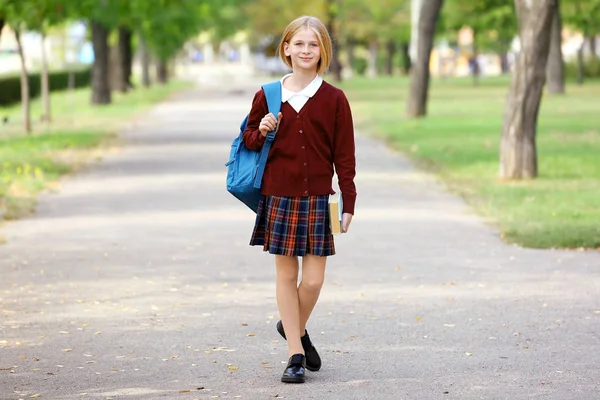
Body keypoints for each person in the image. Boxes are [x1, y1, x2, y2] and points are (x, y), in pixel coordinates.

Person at [242, 15, 357, 384]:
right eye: (299, 43)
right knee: (286, 274)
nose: (306, 50)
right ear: (286, 49)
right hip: (279, 195)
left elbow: (345, 154)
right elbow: (248, 139)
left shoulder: (335, 98)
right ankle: (294, 352)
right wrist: (260, 130)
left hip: (319, 199)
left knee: (313, 282)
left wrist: (350, 199)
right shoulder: (268, 94)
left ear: (323, 50)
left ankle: (292, 324)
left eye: (313, 44)